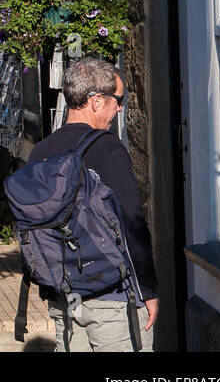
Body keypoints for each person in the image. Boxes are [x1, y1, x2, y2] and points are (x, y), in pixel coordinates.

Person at [27, 57, 159, 352]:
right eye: (117, 100)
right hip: (112, 301)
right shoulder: (108, 149)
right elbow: (132, 225)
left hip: (64, 299)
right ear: (96, 100)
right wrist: (148, 290)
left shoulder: (40, 153)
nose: (120, 107)